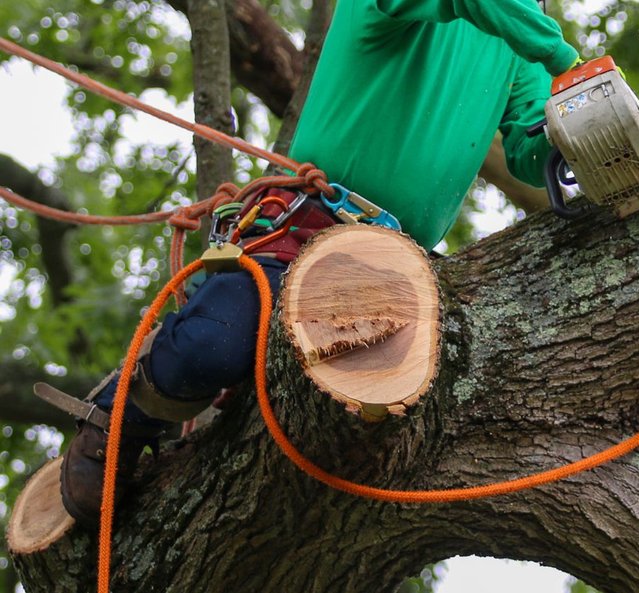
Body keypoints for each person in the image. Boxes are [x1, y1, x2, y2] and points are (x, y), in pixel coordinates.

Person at [53, 0, 579, 527]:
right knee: (211, 348)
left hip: (399, 266)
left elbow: (529, 147)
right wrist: (564, 58)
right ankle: (120, 420)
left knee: (402, 427)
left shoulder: (519, 45)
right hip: (307, 228)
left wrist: (577, 130)